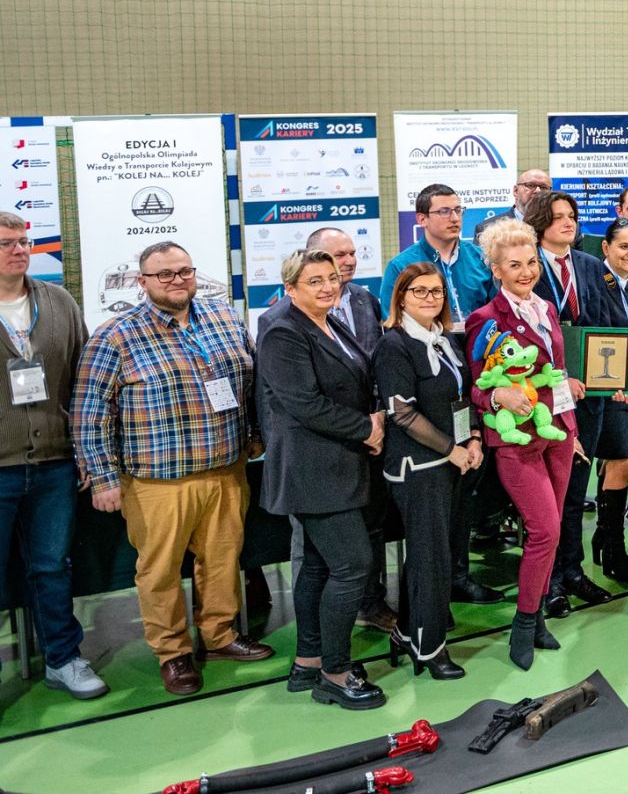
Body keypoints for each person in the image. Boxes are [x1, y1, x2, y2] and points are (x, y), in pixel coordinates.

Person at [73, 242, 272, 696]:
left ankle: (219, 636)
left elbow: (251, 383)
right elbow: (89, 413)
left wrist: (255, 434)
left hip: (226, 469)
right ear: (142, 282)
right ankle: (173, 653)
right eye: (164, 274)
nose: (176, 280)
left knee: (222, 561)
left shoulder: (224, 318)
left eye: (184, 271)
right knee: (159, 572)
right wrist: (102, 478)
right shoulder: (115, 336)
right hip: (156, 481)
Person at [257, 249, 385, 709]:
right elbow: (304, 403)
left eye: (331, 278)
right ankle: (335, 671)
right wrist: (366, 428)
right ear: (290, 288)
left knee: (316, 567)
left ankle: (308, 661)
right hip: (313, 470)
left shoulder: (329, 321)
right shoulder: (283, 332)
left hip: (337, 464)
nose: (328, 286)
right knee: (352, 566)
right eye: (315, 281)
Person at [0, 212, 107, 700]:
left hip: (53, 462)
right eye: (6, 243)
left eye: (24, 241)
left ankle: (63, 660)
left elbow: (85, 382)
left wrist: (86, 451)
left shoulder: (58, 301)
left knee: (51, 566)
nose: (19, 250)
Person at [464, 220, 577, 670]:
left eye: (531, 262)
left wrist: (571, 424)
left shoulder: (546, 308)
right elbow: (475, 388)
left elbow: (557, 371)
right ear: (496, 270)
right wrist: (498, 396)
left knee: (551, 533)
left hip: (557, 433)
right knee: (544, 530)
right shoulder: (485, 319)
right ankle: (524, 622)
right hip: (517, 441)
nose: (526, 271)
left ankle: (539, 617)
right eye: (514, 265)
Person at [375, 261, 477, 680]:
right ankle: (429, 648)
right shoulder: (394, 345)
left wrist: (473, 438)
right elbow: (402, 413)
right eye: (419, 291)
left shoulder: (445, 339)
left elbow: (462, 394)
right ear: (401, 298)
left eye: (436, 291)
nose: (430, 298)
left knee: (434, 553)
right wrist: (452, 449)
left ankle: (406, 632)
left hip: (453, 462)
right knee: (430, 558)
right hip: (418, 468)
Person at [526, 191, 617, 617]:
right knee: (551, 496)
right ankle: (550, 583)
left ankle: (573, 571)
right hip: (546, 398)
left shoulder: (591, 265)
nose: (568, 223)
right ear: (539, 224)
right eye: (558, 217)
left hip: (589, 395)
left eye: (572, 216)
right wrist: (560, 379)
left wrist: (614, 376)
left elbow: (607, 326)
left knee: (577, 490)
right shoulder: (527, 268)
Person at [586, 217, 628, 584]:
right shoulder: (597, 283)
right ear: (606, 247)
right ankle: (613, 547)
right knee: (622, 461)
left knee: (617, 461)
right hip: (608, 384)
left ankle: (603, 537)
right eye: (623, 246)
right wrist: (609, 380)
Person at [379, 184, 494, 336]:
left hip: (479, 344)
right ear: (422, 219)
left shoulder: (482, 258)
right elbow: (393, 321)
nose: (454, 218)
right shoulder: (400, 266)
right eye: (444, 212)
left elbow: (497, 309)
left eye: (458, 210)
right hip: (428, 346)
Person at [475, 170, 552, 242]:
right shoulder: (488, 229)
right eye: (531, 185)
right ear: (515, 191)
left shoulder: (555, 226)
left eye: (544, 187)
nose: (538, 191)